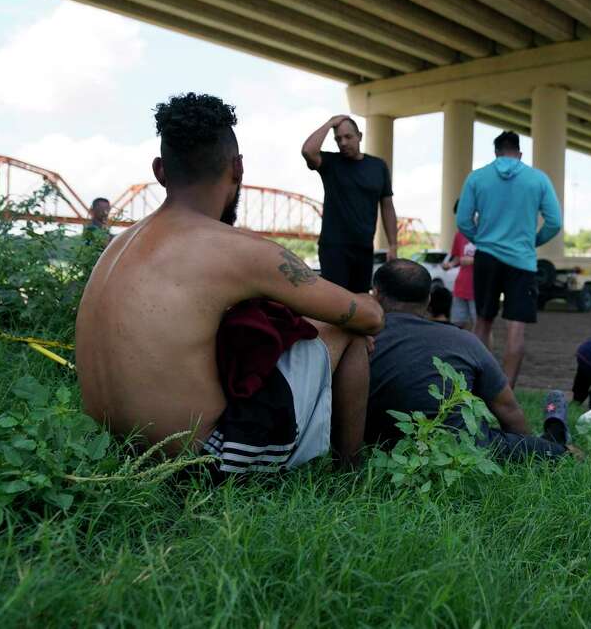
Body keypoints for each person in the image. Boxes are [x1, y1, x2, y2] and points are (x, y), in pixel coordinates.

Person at [76, 93, 384, 475]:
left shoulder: (118, 245)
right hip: (199, 460)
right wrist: (358, 300)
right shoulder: (239, 248)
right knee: (348, 329)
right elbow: (370, 318)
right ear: (237, 168)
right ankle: (351, 475)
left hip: (110, 447)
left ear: (159, 170)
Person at [363, 260, 569, 461]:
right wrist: (528, 446)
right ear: (428, 300)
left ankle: (553, 433)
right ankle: (555, 438)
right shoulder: (464, 340)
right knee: (554, 453)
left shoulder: (359, 340)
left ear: (376, 294)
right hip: (462, 449)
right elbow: (507, 408)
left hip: (382, 450)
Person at [456, 130, 562, 388]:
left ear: (495, 153)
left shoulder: (477, 178)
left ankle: (475, 388)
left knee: (482, 321)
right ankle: (507, 392)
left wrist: (481, 239)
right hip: (522, 261)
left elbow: (462, 221)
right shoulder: (538, 179)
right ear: (519, 153)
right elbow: (554, 222)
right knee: (516, 328)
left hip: (487, 258)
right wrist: (531, 242)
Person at [302, 115, 398, 293]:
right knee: (335, 303)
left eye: (348, 137)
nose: (343, 143)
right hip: (334, 248)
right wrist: (330, 123)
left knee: (360, 301)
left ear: (359, 136)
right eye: (338, 139)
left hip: (364, 248)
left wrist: (393, 245)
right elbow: (308, 151)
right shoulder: (330, 163)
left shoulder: (378, 166)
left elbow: (387, 206)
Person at [442, 200, 477, 330]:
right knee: (457, 325)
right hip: (461, 286)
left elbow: (492, 258)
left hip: (478, 288)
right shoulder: (459, 234)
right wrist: (450, 264)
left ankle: (481, 351)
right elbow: (457, 257)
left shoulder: (485, 232)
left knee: (480, 326)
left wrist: (473, 261)